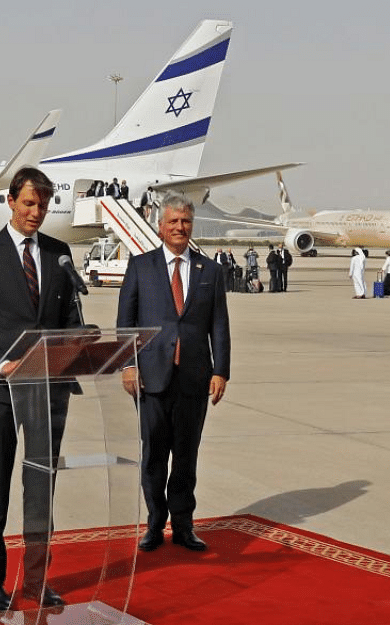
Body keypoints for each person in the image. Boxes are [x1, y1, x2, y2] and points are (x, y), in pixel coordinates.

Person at [0, 167, 80, 611]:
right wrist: (2, 362)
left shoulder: (59, 253)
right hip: (0, 389)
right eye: (29, 204)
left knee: (40, 486)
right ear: (10, 201)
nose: (36, 213)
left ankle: (36, 579)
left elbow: (70, 320)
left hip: (49, 390)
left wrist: (79, 346)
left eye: (43, 206)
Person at [116, 192, 230, 553]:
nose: (180, 228)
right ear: (161, 226)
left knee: (186, 456)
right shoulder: (140, 266)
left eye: (186, 222)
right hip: (151, 378)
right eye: (174, 222)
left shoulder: (209, 270)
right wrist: (128, 364)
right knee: (153, 456)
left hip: (194, 379)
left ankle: (183, 526)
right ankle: (154, 524)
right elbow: (126, 323)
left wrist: (221, 370)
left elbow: (219, 325)